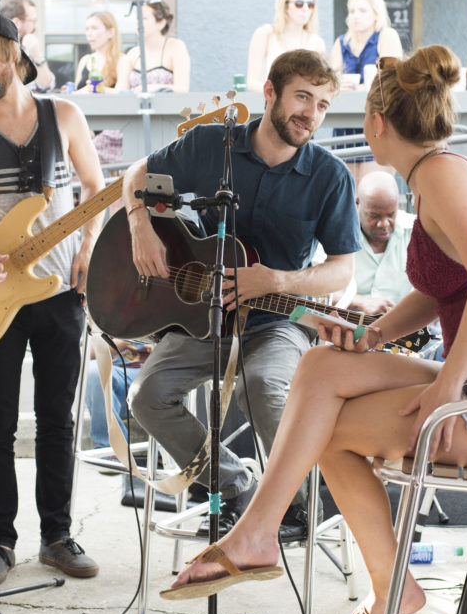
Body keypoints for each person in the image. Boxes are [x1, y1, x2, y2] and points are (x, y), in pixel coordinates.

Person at [161, 45, 467, 614]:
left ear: (377, 123)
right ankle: (267, 537)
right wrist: (373, 335)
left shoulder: (440, 176)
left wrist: (447, 388)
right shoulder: (437, 174)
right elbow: (440, 291)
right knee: (321, 366)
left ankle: (371, 583)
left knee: (323, 431)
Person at [122, 49, 360, 540]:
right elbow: (136, 175)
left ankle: (300, 504)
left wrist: (278, 280)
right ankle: (236, 484)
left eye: (322, 104)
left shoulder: (329, 176)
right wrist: (140, 224)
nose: (310, 114)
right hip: (203, 316)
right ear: (270, 92)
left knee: (264, 390)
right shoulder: (212, 146)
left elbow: (341, 270)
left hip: (277, 322)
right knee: (146, 396)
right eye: (302, 97)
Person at [0, 11, 105, 584]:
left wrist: (87, 246)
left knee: (59, 419)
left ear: (12, 51)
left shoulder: (65, 116)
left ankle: (56, 534)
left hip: (59, 291)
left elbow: (94, 188)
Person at [329, 0, 403, 183]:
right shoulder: (341, 42)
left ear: (376, 14)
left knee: (375, 190)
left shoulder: (386, 35)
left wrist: (361, 88)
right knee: (349, 193)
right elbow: (329, 80)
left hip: (379, 122)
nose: (355, 16)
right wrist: (338, 85)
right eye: (351, 11)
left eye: (362, 11)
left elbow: (393, 78)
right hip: (346, 127)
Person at [346, 170, 414, 316]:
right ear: (357, 203)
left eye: (391, 214)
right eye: (374, 216)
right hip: (350, 328)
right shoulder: (337, 233)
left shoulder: (415, 232)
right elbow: (320, 292)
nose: (383, 224)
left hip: (405, 330)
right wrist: (360, 301)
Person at [246, 0, 325, 91]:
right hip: (271, 102)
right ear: (285, 6)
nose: (305, 9)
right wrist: (280, 94)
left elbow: (319, 83)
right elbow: (252, 82)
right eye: (299, 4)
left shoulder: (317, 42)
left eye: (310, 5)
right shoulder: (266, 34)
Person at [117, 0, 190, 92]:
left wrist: (151, 88)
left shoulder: (175, 47)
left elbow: (182, 89)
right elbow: (120, 91)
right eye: (137, 18)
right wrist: (101, 89)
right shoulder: (132, 54)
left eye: (144, 18)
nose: (138, 22)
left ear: (161, 23)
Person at [0, 0, 56, 93]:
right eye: (33, 21)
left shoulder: (29, 50)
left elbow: (47, 86)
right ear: (17, 23)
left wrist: (38, 56)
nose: (36, 26)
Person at [74, 11, 124, 92]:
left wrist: (101, 90)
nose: (89, 34)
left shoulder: (122, 60)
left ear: (110, 32)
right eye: (87, 29)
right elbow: (75, 94)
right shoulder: (85, 60)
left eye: (94, 28)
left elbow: (124, 94)